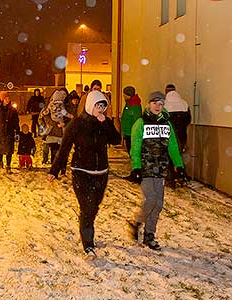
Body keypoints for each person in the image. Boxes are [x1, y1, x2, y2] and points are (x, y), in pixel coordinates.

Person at [48, 90, 121, 257]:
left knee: (93, 207)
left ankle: (86, 225)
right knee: (87, 207)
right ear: (90, 105)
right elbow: (64, 148)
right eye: (98, 105)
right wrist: (54, 169)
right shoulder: (77, 124)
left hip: (101, 172)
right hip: (81, 172)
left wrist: (106, 124)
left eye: (103, 106)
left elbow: (116, 140)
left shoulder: (104, 123)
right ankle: (88, 244)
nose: (101, 109)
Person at [128, 91, 187, 250]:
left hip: (161, 168)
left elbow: (173, 146)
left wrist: (179, 165)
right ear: (149, 104)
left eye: (161, 104)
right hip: (145, 167)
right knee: (150, 200)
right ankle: (137, 221)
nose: (157, 106)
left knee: (159, 203)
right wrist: (136, 167)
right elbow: (135, 147)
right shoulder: (141, 123)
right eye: (155, 103)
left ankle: (149, 235)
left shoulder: (167, 124)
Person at [0, 91, 20, 174]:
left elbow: (16, 122)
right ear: (2, 99)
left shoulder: (13, 110)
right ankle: (0, 162)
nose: (8, 100)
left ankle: (8, 166)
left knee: (9, 150)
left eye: (8, 98)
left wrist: (17, 132)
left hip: (9, 132)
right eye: (6, 98)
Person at [164, 84, 191, 152]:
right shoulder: (184, 103)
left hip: (169, 136)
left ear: (166, 91)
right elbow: (188, 119)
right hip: (182, 135)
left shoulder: (164, 104)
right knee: (179, 154)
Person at [120, 86, 142, 155]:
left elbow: (136, 119)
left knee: (132, 151)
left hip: (131, 132)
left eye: (124, 94)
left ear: (128, 95)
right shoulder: (129, 103)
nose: (123, 96)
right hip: (127, 131)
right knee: (130, 150)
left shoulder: (134, 105)